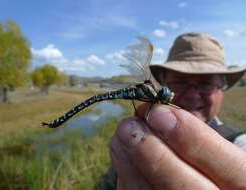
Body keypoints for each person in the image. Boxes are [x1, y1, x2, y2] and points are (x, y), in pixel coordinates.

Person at [97, 32, 246, 190]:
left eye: (206, 84)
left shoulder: (240, 144)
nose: (192, 95)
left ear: (222, 89)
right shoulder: (137, 136)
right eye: (179, 82)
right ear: (164, 83)